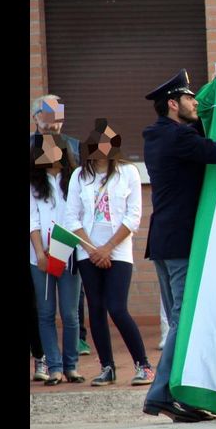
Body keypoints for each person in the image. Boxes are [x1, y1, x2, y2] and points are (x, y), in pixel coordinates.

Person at [140, 69, 216, 423]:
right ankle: (160, 394)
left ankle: (169, 392)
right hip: (177, 242)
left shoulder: (160, 135)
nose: (195, 103)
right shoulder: (177, 139)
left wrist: (212, 96)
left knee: (180, 318)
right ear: (173, 104)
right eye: (190, 98)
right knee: (181, 319)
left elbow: (199, 126)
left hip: (163, 241)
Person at [64, 118, 154, 387]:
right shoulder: (79, 176)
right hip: (87, 253)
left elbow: (133, 216)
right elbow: (72, 218)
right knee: (96, 309)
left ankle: (144, 365)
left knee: (117, 307)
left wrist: (107, 248)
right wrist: (92, 249)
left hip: (118, 252)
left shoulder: (129, 173)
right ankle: (107, 367)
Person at [31, 94, 92, 358]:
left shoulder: (74, 147)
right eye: (50, 116)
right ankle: (43, 354)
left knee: (73, 300)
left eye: (60, 117)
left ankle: (77, 343)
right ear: (36, 117)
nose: (56, 123)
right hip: (36, 240)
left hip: (67, 238)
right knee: (40, 303)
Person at [30, 133, 84, 385]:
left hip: (70, 255)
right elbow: (33, 221)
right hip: (40, 258)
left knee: (71, 314)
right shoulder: (33, 182)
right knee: (46, 313)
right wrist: (40, 253)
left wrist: (64, 247)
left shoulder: (76, 179)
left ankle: (71, 366)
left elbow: (77, 216)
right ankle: (54, 367)